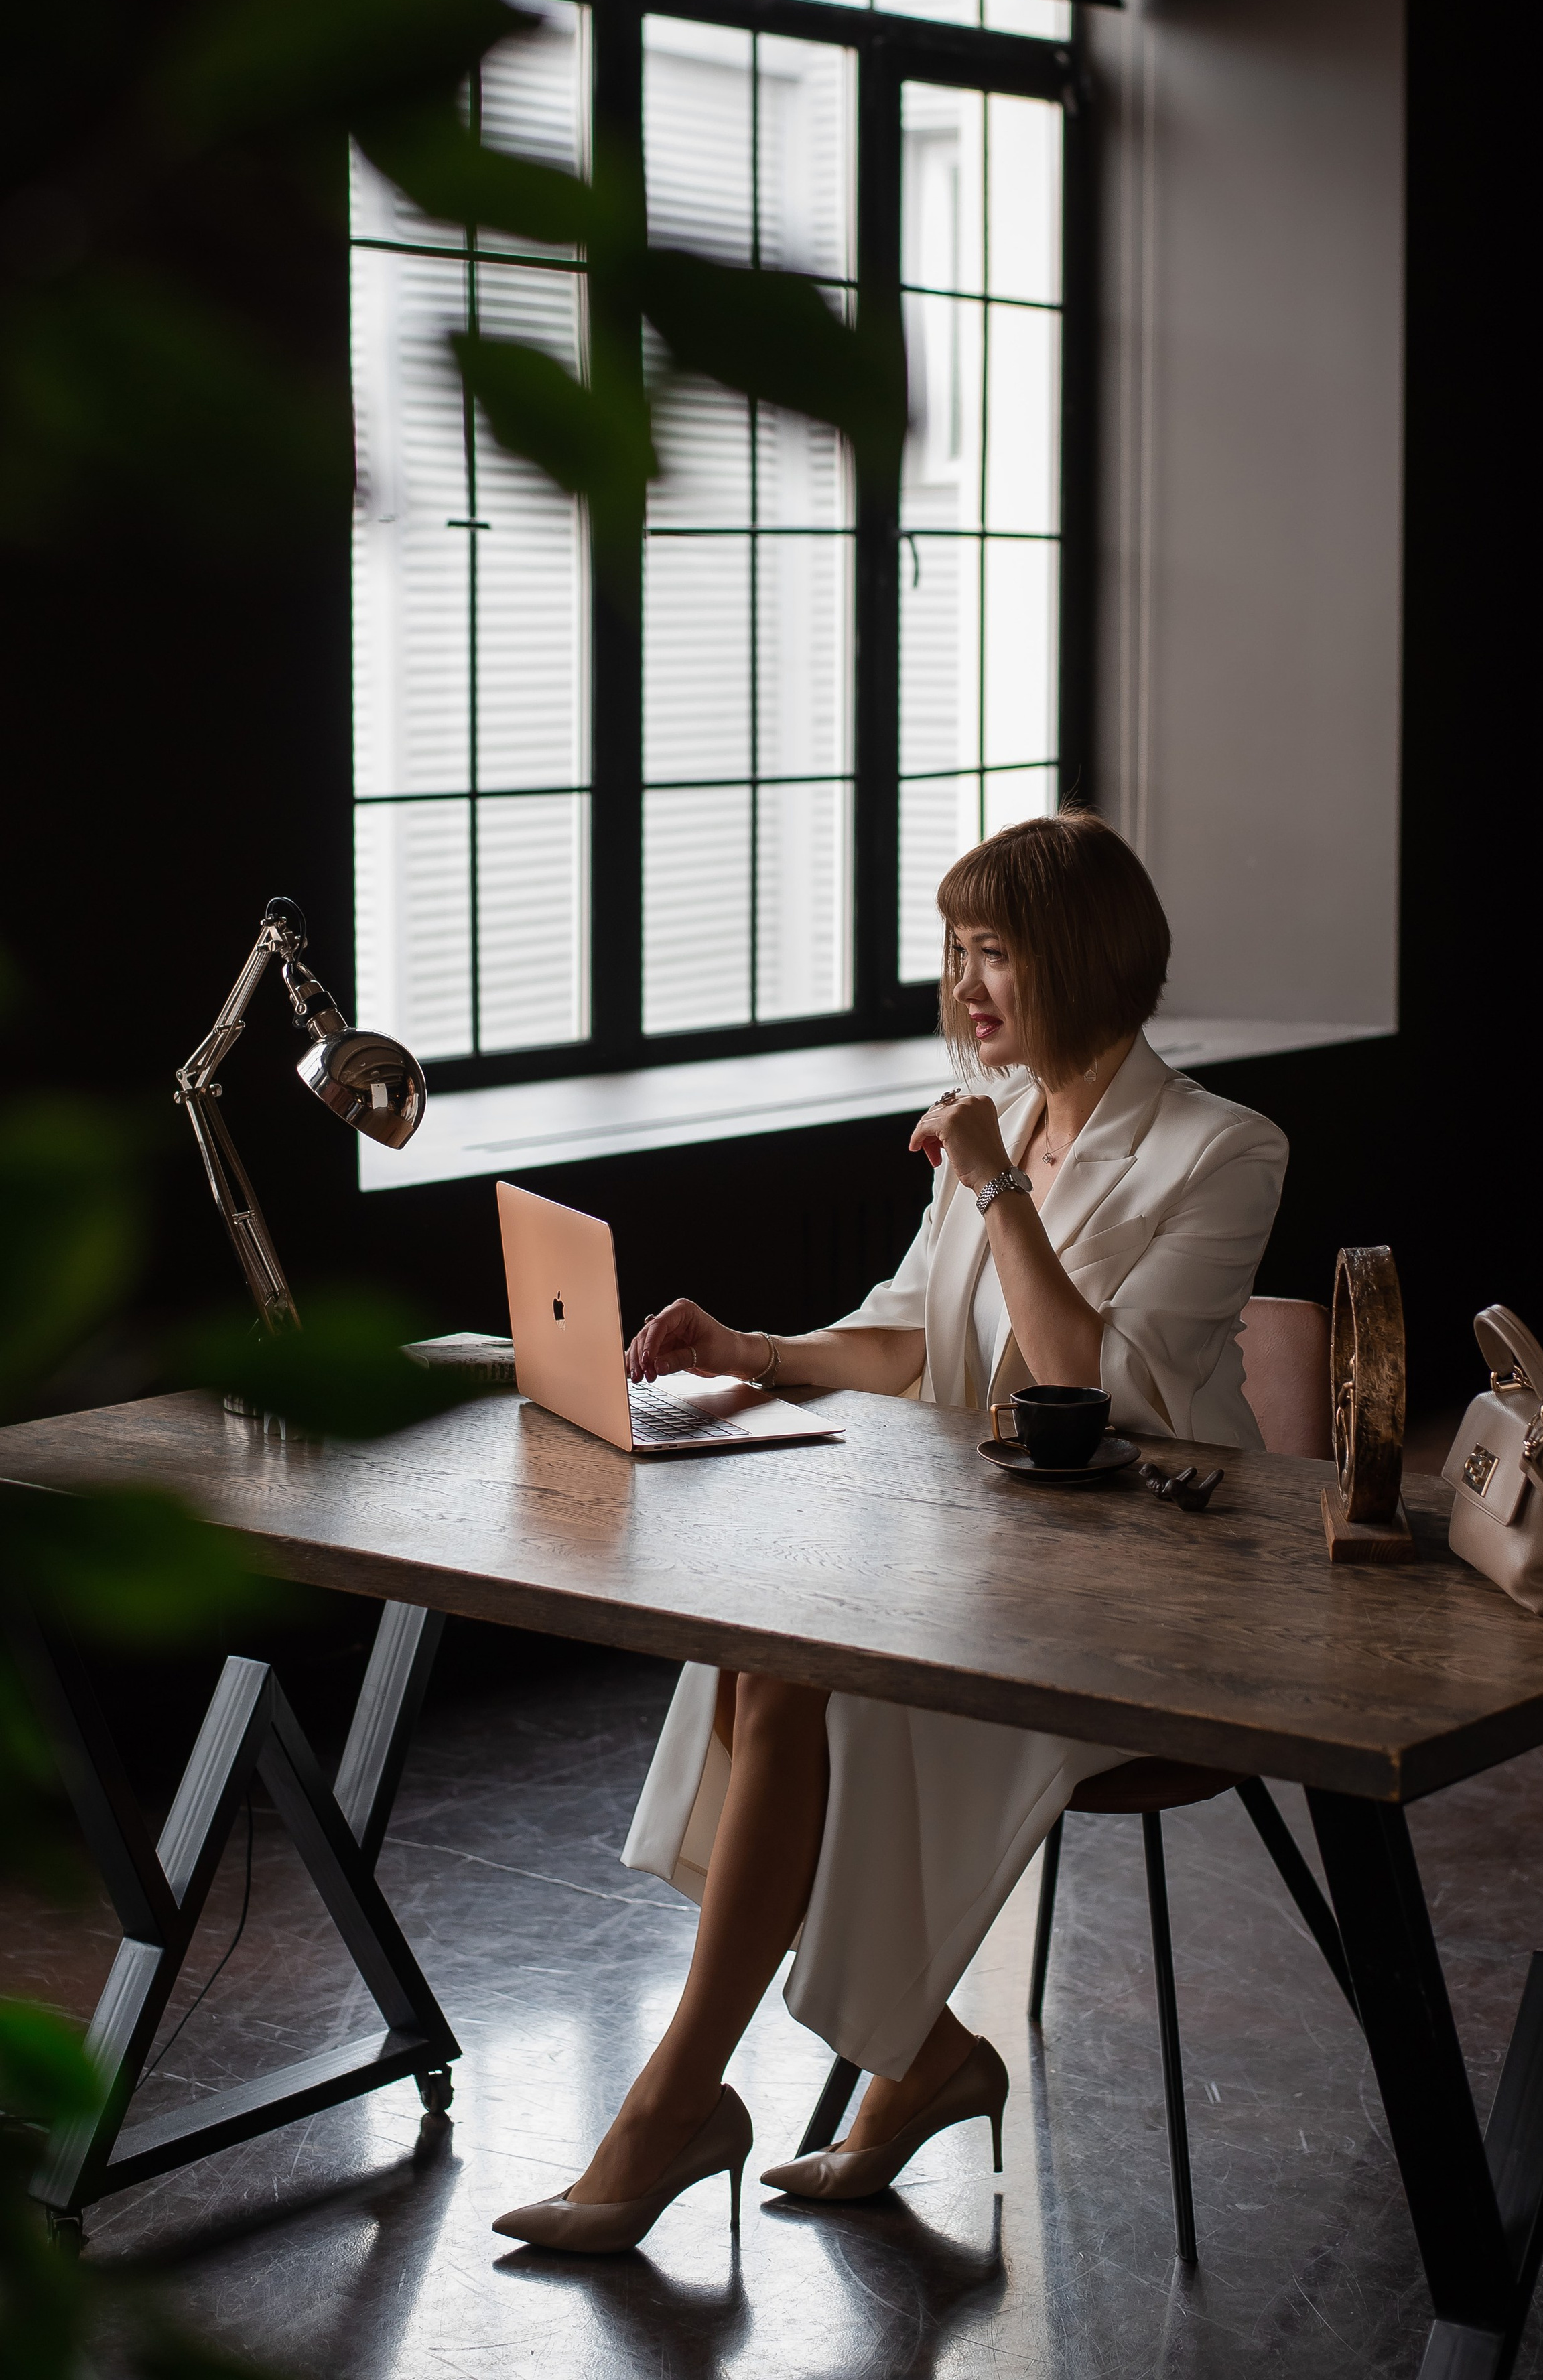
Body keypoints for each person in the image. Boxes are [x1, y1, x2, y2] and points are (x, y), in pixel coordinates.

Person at [493, 809, 1288, 2253]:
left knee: (798, 1665)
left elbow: (1076, 1386)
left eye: (998, 951)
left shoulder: (1218, 1148)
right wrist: (752, 1347)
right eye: (955, 949)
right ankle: (900, 2058)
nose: (967, 983)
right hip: (994, 1554)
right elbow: (913, 1337)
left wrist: (992, 1182)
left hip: (1161, 1597)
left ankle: (698, 2099)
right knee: (767, 1647)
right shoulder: (998, 1112)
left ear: (1086, 959)